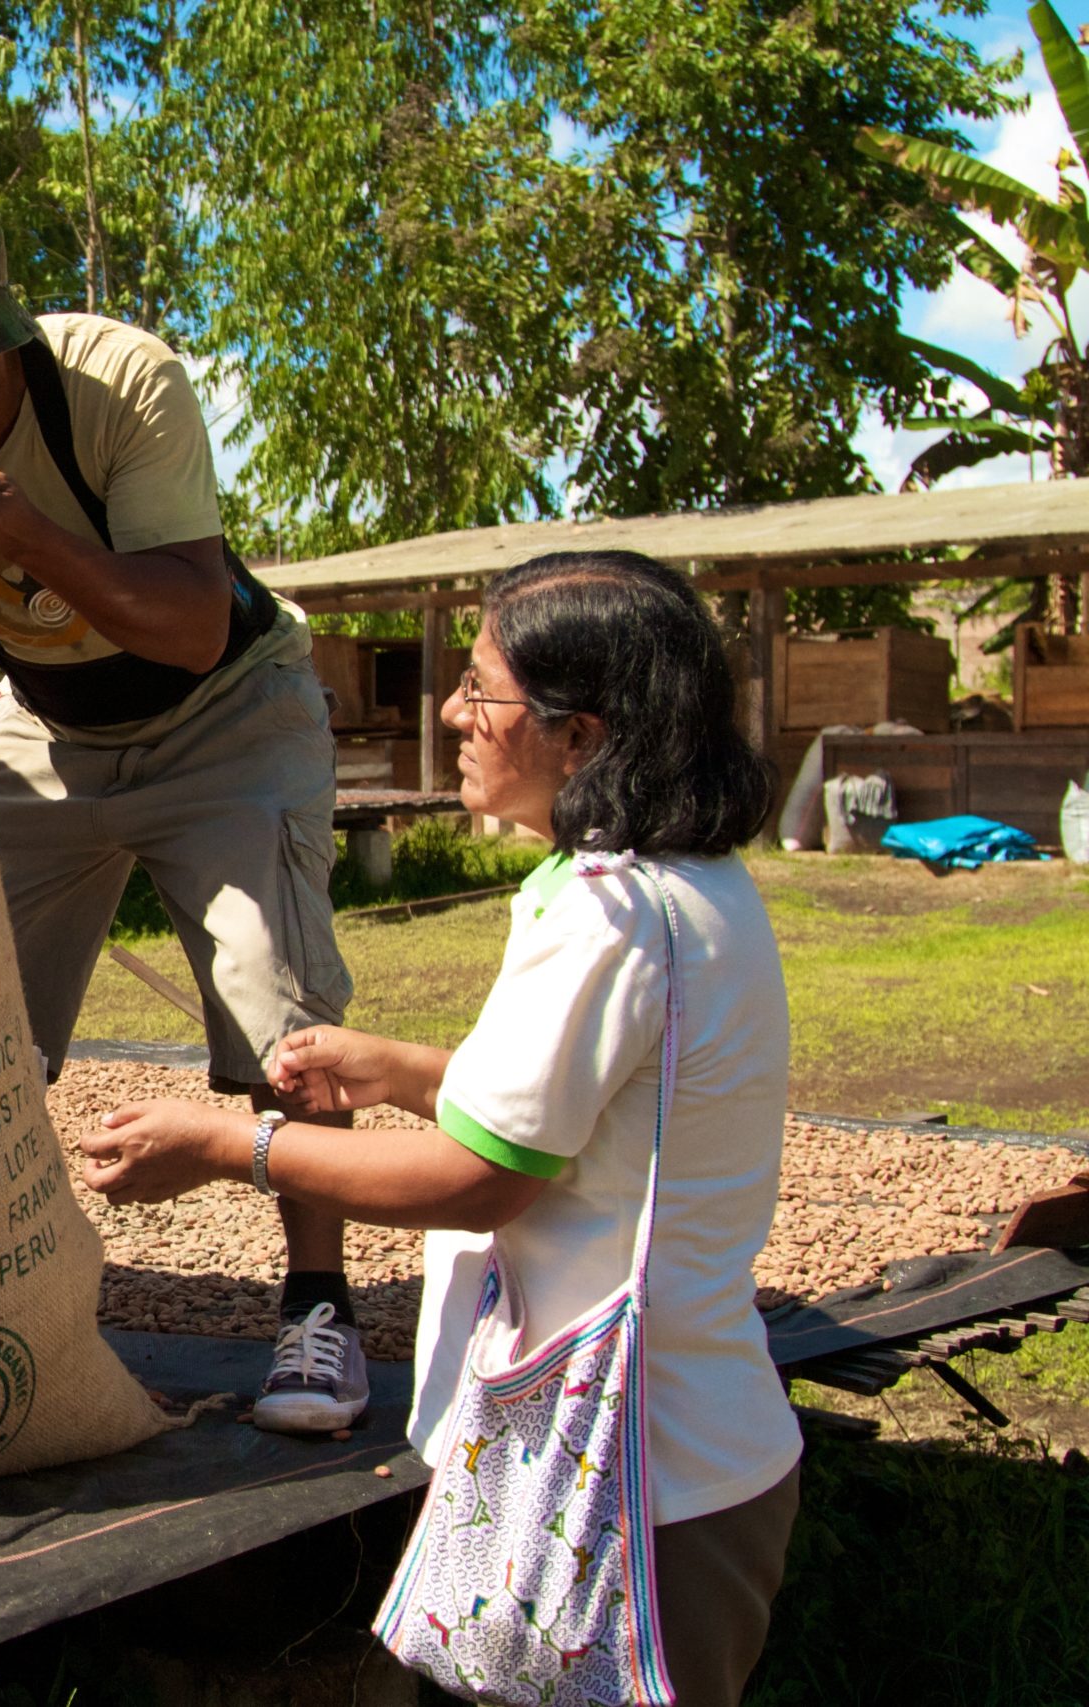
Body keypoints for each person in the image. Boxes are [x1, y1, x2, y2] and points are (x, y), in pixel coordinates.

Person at [80, 551, 800, 1706]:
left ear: (582, 736)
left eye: (483, 691)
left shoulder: (607, 915)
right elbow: (590, 1107)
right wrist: (401, 1070)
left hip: (628, 1482)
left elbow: (479, 1180)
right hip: (686, 1450)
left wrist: (227, 1149)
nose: (453, 715)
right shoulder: (685, 883)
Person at [0, 182, 366, 1431]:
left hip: (224, 716)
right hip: (45, 728)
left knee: (282, 1011)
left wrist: (21, 538)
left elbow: (185, 627)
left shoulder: (121, 382)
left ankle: (319, 1311)